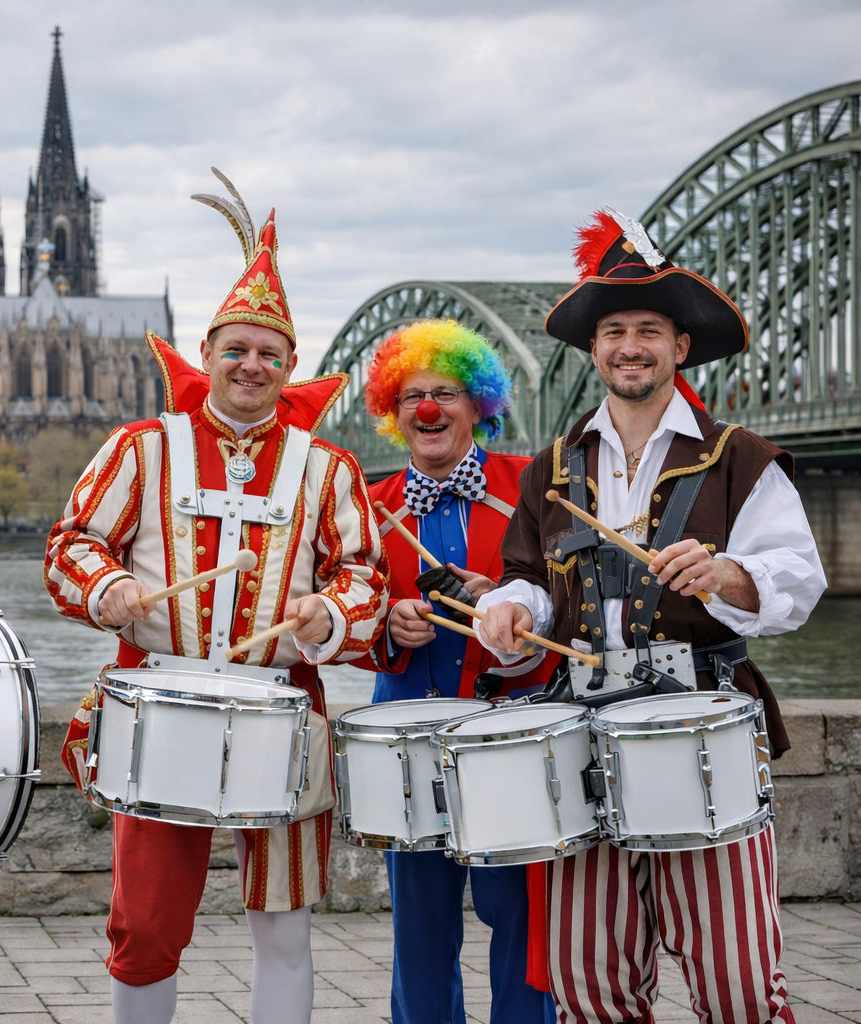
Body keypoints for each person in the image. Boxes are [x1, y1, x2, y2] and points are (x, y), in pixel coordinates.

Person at [45, 175, 386, 1024]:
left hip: (282, 708)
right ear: (207, 353)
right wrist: (110, 586)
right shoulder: (142, 447)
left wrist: (329, 614)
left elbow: (366, 579)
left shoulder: (328, 467)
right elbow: (70, 546)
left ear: (289, 367)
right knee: (148, 922)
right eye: (236, 349)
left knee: (284, 923)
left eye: (269, 354)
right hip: (160, 700)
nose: (251, 366)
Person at [475, 208, 826, 1024]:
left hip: (703, 733)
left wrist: (727, 573)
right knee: (589, 982)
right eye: (614, 332)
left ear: (679, 348)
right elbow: (528, 578)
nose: (630, 346)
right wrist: (504, 609)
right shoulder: (554, 469)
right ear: (594, 350)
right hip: (582, 735)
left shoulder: (738, 454)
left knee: (738, 984)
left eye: (649, 331)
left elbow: (796, 580)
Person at [357, 318, 556, 1024]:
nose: (428, 410)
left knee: (521, 917)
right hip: (406, 729)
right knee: (419, 927)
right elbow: (343, 611)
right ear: (392, 411)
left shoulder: (531, 484)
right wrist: (388, 625)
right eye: (412, 396)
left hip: (508, 735)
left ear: (478, 405)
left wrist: (510, 605)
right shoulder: (368, 505)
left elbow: (571, 599)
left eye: (445, 393)